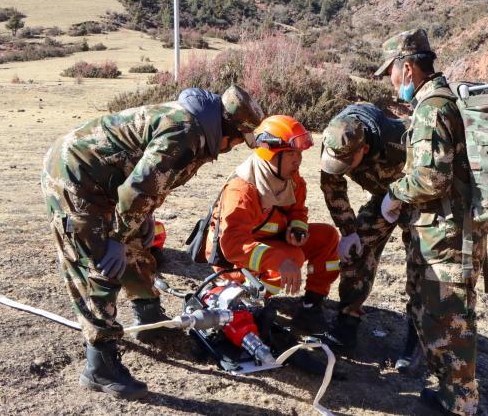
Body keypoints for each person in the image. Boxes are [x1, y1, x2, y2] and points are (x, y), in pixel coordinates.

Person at [41, 85, 264, 400]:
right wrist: (117, 237)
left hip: (106, 178)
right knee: (99, 260)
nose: (235, 146)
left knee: (134, 242)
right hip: (75, 175)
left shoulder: (196, 127)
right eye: (240, 139)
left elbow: (147, 179)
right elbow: (139, 189)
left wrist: (141, 219)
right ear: (231, 131)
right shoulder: (186, 133)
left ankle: (148, 314)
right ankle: (100, 364)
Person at [376, 29, 488, 415]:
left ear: (407, 68)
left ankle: (460, 404)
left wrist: (394, 194)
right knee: (437, 315)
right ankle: (449, 393)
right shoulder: (440, 102)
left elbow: (432, 177)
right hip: (444, 233)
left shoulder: (432, 108)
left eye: (391, 72)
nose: (391, 82)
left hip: (448, 236)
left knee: (451, 318)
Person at [205, 115, 341, 333]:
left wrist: (298, 228)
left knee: (327, 236)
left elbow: (298, 209)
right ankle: (253, 304)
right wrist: (280, 261)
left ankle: (311, 306)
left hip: (271, 241)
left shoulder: (290, 178)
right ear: (270, 155)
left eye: (299, 154)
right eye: (291, 154)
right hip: (235, 262)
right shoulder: (242, 191)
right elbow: (232, 246)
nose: (298, 160)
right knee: (292, 258)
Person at [318, 103, 421, 370]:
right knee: (358, 250)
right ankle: (348, 318)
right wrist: (348, 230)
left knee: (422, 261)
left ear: (364, 150)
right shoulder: (335, 139)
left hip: (421, 198)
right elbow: (332, 187)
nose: (339, 167)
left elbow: (430, 175)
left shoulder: (402, 140)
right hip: (382, 197)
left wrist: (397, 195)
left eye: (345, 164)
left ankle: (419, 334)